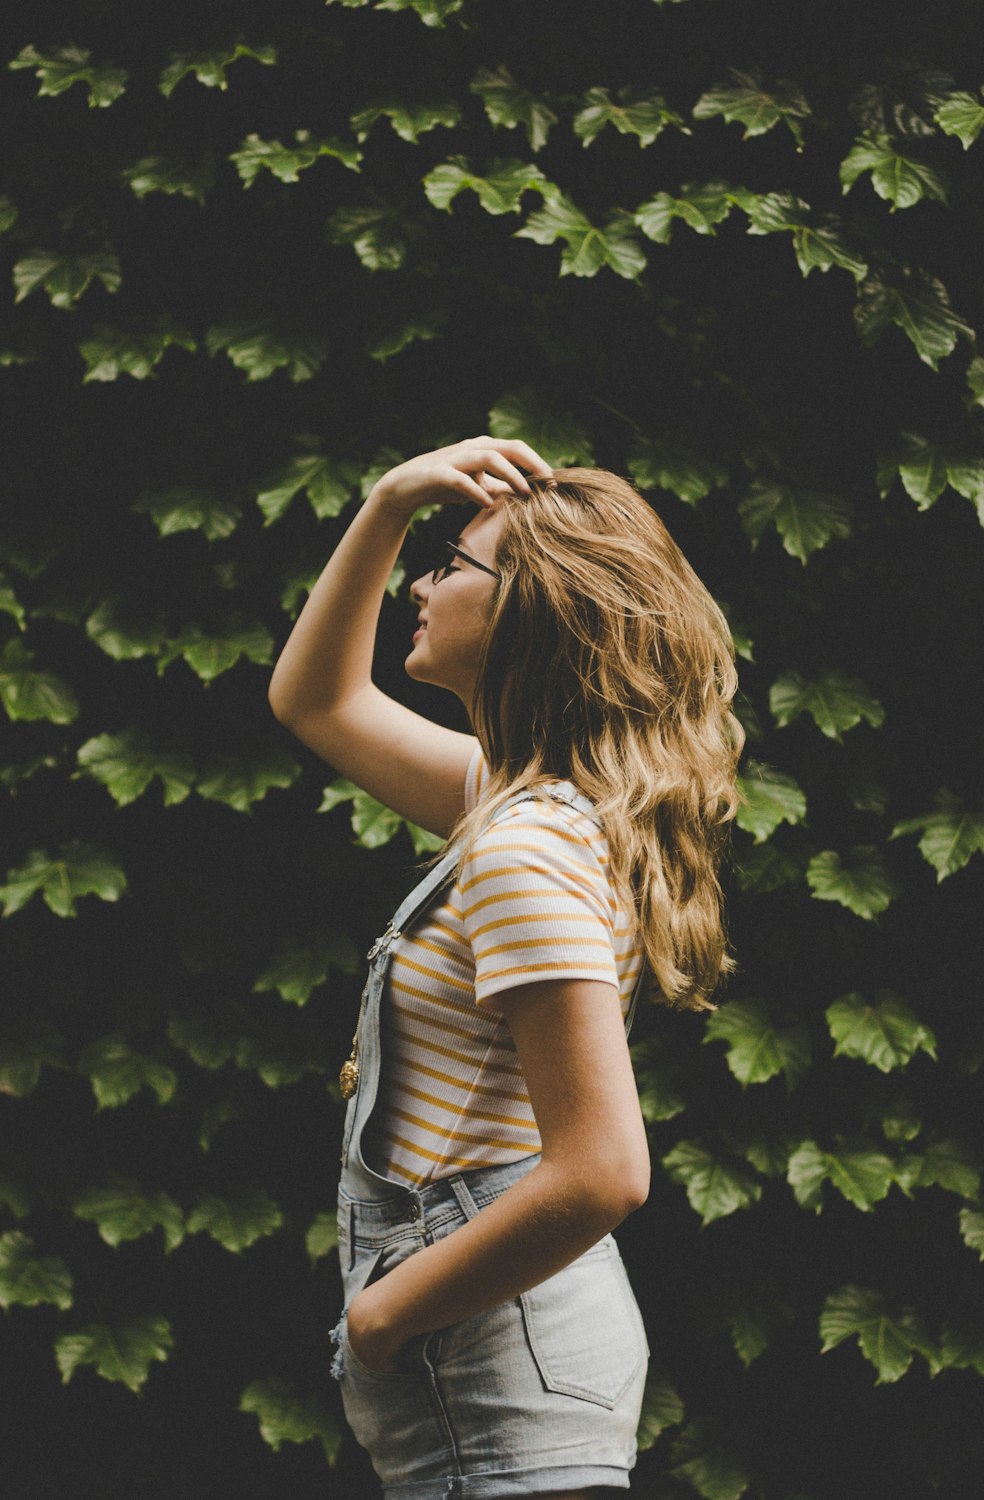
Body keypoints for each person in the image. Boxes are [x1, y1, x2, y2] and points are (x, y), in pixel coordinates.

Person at [268, 436, 744, 1499]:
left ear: (529, 610)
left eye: (450, 565)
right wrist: (388, 502)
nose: (422, 586)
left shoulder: (525, 844)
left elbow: (603, 1169)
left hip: (495, 1388)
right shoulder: (528, 799)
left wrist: (381, 1315)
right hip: (499, 1374)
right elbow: (317, 703)